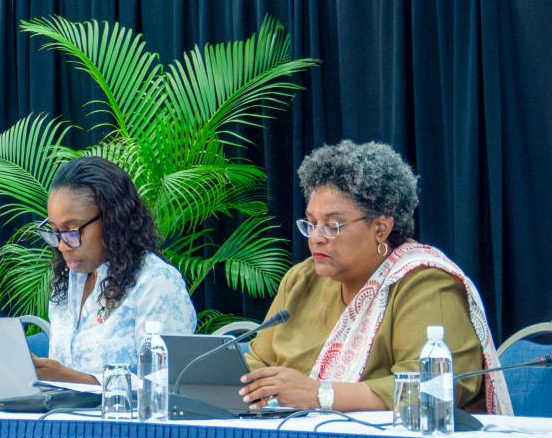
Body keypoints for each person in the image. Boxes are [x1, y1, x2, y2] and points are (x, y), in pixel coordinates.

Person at [238, 140, 505, 413]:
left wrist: (320, 395)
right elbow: (256, 363)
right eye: (312, 223)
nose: (316, 238)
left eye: (332, 226)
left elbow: (433, 388)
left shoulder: (425, 283)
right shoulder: (301, 280)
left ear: (381, 228)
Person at [32, 156, 196, 384]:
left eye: (71, 231)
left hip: (126, 420)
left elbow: (168, 385)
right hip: (64, 419)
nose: (61, 245)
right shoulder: (67, 282)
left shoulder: (156, 282)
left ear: (112, 220)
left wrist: (73, 379)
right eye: (55, 231)